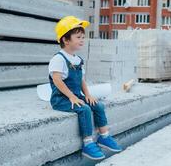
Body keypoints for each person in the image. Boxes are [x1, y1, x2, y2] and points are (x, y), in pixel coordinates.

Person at [48, 16, 122, 160]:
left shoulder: (77, 60)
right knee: (85, 109)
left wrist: (87, 94)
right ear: (65, 39)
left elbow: (81, 80)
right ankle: (88, 143)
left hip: (76, 97)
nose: (82, 39)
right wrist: (71, 97)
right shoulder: (58, 59)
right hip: (61, 99)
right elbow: (57, 81)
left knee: (97, 105)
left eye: (83, 37)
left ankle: (104, 136)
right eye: (78, 37)